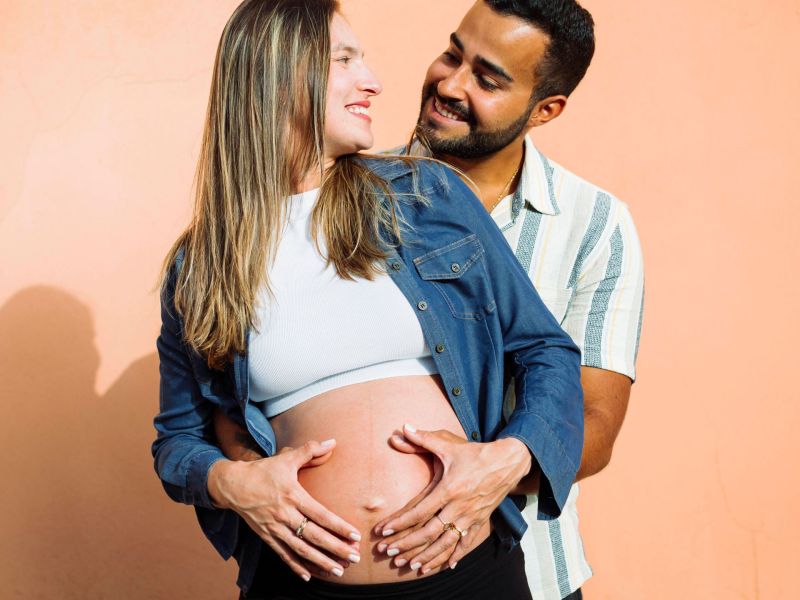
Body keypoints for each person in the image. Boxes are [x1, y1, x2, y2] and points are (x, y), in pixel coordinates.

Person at [152, 1, 583, 598]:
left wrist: (509, 458)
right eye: (345, 60)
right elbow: (177, 440)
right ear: (280, 74)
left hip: (468, 576)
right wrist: (230, 483)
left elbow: (545, 349)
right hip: (299, 583)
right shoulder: (202, 265)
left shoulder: (425, 195)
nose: (373, 81)